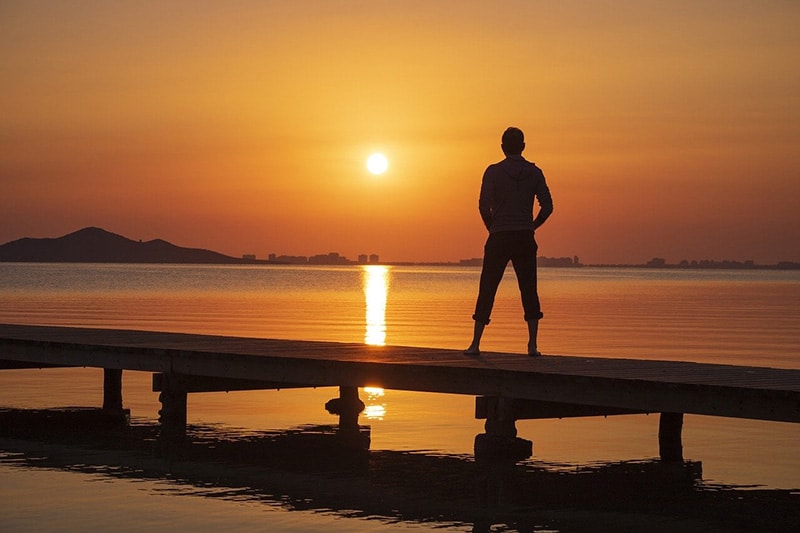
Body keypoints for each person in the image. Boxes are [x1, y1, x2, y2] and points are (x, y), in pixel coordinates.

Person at [464, 127, 553, 357]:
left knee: (488, 287)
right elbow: (548, 206)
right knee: (529, 289)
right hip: (524, 236)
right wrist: (533, 225)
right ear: (523, 146)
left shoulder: (493, 172)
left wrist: (491, 227)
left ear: (502, 147)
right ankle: (532, 346)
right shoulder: (534, 172)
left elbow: (483, 206)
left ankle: (475, 344)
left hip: (499, 237)